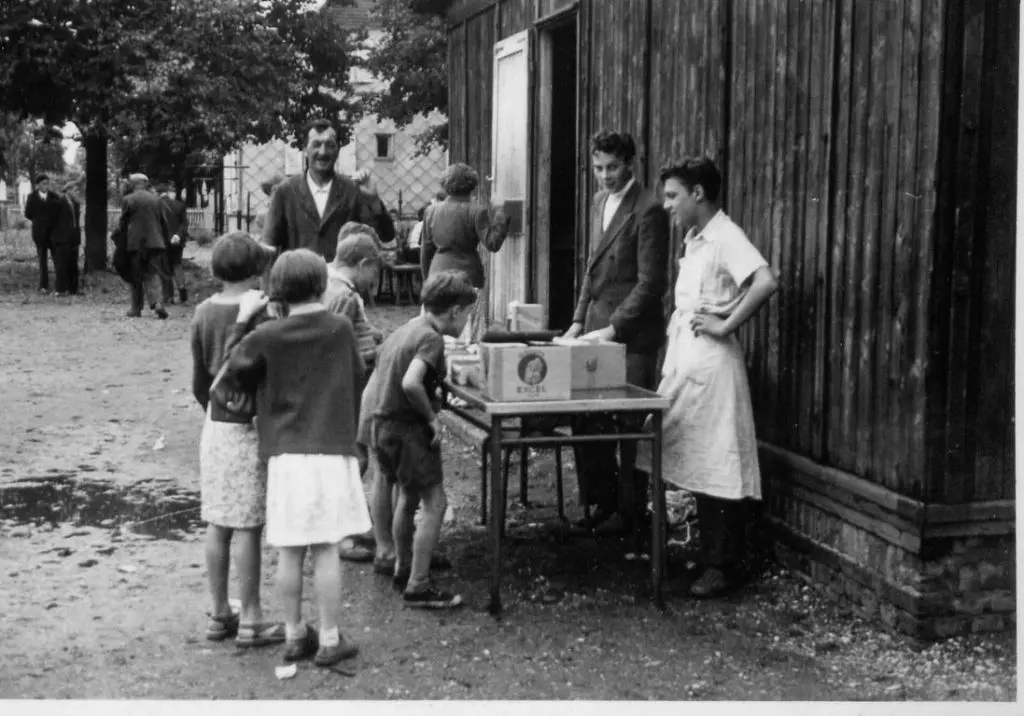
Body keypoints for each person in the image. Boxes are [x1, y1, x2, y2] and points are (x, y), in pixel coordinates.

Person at [219, 248, 371, 667]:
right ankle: (329, 637)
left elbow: (231, 370)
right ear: (322, 285)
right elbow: (358, 374)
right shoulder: (340, 328)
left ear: (276, 290)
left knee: (289, 549)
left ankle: (291, 634)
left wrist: (243, 321)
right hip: (330, 449)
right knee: (326, 549)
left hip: (284, 454)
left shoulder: (266, 335)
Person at [654, 157, 778, 597]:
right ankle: (708, 555)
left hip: (713, 365)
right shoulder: (695, 238)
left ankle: (722, 566)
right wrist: (721, 310)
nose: (667, 205)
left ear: (698, 194)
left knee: (718, 461)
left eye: (673, 196)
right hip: (688, 357)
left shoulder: (725, 235)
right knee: (693, 453)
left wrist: (726, 325)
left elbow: (764, 281)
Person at [564, 130, 670, 535]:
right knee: (586, 417)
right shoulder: (597, 202)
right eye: (597, 168)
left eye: (612, 168)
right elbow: (592, 267)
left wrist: (613, 329)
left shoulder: (649, 208)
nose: (605, 176)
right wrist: (578, 320)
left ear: (630, 163)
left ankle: (632, 513)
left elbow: (651, 284)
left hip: (631, 334)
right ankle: (600, 502)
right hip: (594, 328)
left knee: (629, 424)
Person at [189, 232, 282, 647]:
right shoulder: (261, 313)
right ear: (256, 268)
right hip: (249, 422)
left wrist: (213, 408)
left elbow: (199, 378)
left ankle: (218, 611)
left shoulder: (202, 312)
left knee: (218, 519)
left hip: (216, 421)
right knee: (247, 523)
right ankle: (252, 616)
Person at [365, 270, 476, 608]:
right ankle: (419, 584)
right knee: (435, 503)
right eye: (468, 314)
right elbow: (412, 382)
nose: (468, 320)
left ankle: (403, 566)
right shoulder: (431, 338)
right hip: (407, 429)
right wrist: (432, 418)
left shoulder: (405, 329)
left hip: (382, 426)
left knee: (408, 498)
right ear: (455, 311)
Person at [262, 119, 394, 261]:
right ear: (305, 150)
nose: (323, 152)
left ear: (337, 150)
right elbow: (270, 246)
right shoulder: (285, 192)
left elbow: (385, 236)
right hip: (298, 279)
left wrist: (374, 201)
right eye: (316, 144)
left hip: (341, 280)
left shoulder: (352, 190)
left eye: (330, 145)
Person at [420, 164, 509, 343]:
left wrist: (427, 280)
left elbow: (426, 250)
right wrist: (500, 214)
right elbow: (492, 243)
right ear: (472, 185)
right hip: (468, 276)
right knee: (469, 332)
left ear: (446, 185)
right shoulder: (476, 211)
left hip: (437, 274)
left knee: (433, 329)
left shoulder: (431, 211)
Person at [119, 173, 171, 319]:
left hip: (135, 243)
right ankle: (158, 303)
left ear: (134, 184)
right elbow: (163, 222)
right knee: (152, 273)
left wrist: (121, 240)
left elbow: (123, 223)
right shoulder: (156, 200)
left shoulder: (128, 200)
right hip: (155, 242)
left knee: (135, 275)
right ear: (144, 183)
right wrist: (165, 241)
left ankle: (136, 309)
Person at [23, 174, 61, 293]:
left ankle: (59, 285)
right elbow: (28, 213)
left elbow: (58, 212)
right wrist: (38, 220)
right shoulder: (32, 197)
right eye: (44, 184)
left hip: (53, 233)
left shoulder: (54, 196)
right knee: (42, 259)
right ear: (38, 185)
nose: (46, 186)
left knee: (56, 259)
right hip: (39, 233)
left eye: (47, 183)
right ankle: (43, 286)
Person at [158, 182, 190, 304]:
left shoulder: (156, 206)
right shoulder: (179, 205)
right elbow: (184, 223)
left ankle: (168, 297)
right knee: (177, 264)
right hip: (177, 241)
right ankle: (181, 288)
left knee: (165, 268)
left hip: (162, 241)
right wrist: (177, 235)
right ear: (168, 193)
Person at [59, 181, 82, 295]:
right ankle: (63, 288)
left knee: (74, 263)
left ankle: (74, 289)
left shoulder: (76, 203)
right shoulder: (60, 202)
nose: (77, 192)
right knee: (64, 263)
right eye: (75, 190)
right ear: (68, 190)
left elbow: (76, 221)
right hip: (63, 237)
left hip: (74, 237)